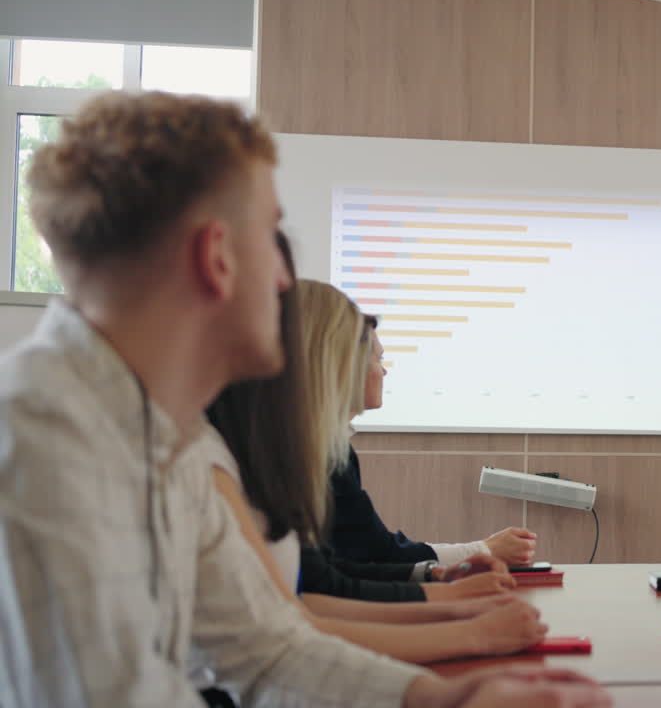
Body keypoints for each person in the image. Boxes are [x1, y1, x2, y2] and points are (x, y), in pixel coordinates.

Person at [0, 91, 608, 707]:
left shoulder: (173, 435)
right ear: (215, 257)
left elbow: (267, 648)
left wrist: (442, 699)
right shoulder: (43, 436)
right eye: (271, 236)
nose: (286, 280)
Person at [202, 246, 547, 665]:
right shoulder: (230, 459)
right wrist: (456, 611)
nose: (384, 370)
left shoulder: (281, 455)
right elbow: (315, 597)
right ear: (332, 365)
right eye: (377, 357)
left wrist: (443, 592)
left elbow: (310, 594)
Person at [328, 313, 537, 573]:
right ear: (347, 366)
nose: (385, 371)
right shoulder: (328, 455)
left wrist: (441, 576)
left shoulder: (336, 448)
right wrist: (483, 551)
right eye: (378, 359)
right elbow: (377, 553)